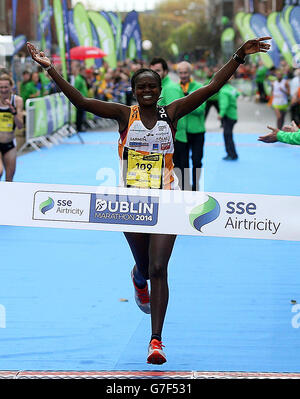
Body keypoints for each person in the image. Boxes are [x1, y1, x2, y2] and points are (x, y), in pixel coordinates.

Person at [27, 37, 271, 365]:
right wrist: (51, 69)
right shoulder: (122, 116)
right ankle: (137, 278)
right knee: (144, 267)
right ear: (133, 91)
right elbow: (82, 101)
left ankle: (156, 340)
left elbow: (211, 87)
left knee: (159, 268)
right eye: (141, 86)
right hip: (131, 203)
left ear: (159, 90)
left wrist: (239, 55)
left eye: (152, 86)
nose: (147, 91)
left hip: (167, 201)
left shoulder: (172, 113)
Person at [0, 74, 24, 181]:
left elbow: (20, 126)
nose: (4, 90)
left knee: (9, 179)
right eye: (1, 87)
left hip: (10, 144)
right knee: (0, 171)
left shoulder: (17, 101)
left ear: (11, 87)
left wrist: (13, 111)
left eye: (6, 87)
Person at [218, 75, 240, 160]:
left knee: (227, 136)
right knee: (229, 135)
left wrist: (221, 114)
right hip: (233, 115)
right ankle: (233, 153)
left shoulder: (223, 91)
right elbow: (238, 94)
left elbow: (224, 104)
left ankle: (231, 154)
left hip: (228, 116)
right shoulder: (232, 89)